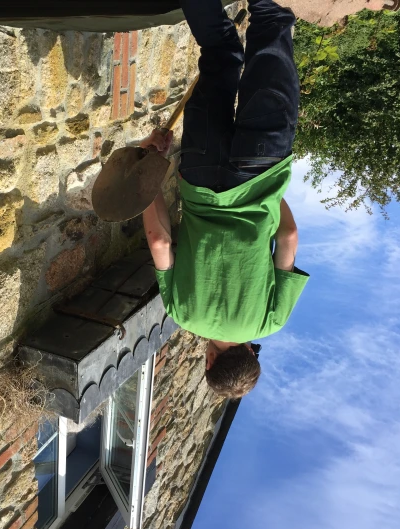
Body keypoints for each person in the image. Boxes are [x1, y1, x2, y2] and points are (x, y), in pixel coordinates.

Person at [139, 0, 309, 399]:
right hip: (200, 173)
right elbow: (160, 240)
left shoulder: (271, 321)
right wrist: (148, 165)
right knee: (219, 55)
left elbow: (288, 238)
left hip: (260, 166)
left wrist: (269, 195)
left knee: (271, 36)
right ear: (210, 361)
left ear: (251, 353)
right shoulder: (182, 315)